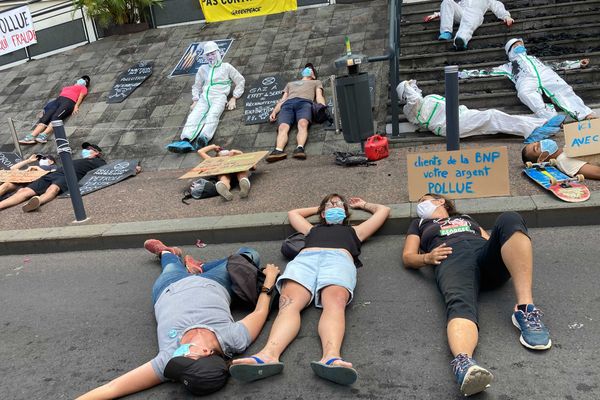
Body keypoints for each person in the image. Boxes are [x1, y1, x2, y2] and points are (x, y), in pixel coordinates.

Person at [76, 240, 280, 399]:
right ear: (207, 352)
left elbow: (111, 388)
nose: (177, 356)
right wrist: (270, 278)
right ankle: (200, 268)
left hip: (168, 287)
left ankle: (169, 254)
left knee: (170, 264)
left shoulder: (167, 359)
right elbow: (260, 312)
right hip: (214, 283)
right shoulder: (233, 339)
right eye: (185, 358)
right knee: (249, 255)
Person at [230, 194, 390, 385]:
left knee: (335, 303)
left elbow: (384, 210)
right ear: (323, 213)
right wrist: (319, 208)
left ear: (346, 212)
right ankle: (268, 354)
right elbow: (293, 213)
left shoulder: (356, 231)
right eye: (330, 204)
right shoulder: (312, 229)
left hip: (338, 259)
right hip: (306, 260)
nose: (335, 205)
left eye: (339, 203)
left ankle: (331, 357)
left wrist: (363, 205)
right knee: (288, 304)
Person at [402, 194, 551, 396]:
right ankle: (464, 364)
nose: (420, 204)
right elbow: (408, 257)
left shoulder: (466, 217)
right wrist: (427, 257)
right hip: (452, 257)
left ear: (440, 201)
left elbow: (491, 240)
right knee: (459, 304)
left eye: (424, 199)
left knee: (510, 218)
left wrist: (501, 254)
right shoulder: (418, 224)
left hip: (483, 255)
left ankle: (525, 310)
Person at [459, 38, 595, 121]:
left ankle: (584, 113)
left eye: (521, 44)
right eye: (516, 45)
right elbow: (487, 72)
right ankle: (550, 117)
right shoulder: (508, 66)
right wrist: (463, 74)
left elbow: (556, 64)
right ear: (510, 50)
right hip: (525, 78)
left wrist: (577, 63)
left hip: (546, 74)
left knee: (563, 90)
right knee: (524, 93)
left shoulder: (534, 59)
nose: (520, 46)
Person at [396, 80, 565, 143]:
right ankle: (535, 128)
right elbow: (413, 99)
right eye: (412, 87)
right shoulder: (410, 109)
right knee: (492, 116)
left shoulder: (428, 98)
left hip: (462, 116)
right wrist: (407, 87)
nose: (416, 88)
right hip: (451, 125)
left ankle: (537, 126)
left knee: (493, 121)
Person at [167, 41, 245, 153]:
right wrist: (195, 99)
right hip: (204, 98)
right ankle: (185, 140)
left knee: (213, 115)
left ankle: (203, 138)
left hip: (219, 97)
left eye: (213, 54)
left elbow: (240, 80)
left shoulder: (226, 67)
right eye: (208, 55)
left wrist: (234, 97)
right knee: (193, 116)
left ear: (218, 53)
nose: (210, 57)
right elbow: (197, 86)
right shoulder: (203, 69)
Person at [0, 142, 105, 212]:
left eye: (89, 149)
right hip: (54, 173)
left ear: (97, 152)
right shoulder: (79, 160)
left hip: (69, 176)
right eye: (85, 149)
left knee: (53, 189)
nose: (85, 150)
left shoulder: (99, 161)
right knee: (24, 191)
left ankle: (38, 202)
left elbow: (106, 170)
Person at [265, 63, 326, 162]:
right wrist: (274, 111)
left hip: (304, 103)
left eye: (310, 69)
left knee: (303, 123)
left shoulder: (316, 82)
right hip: (287, 104)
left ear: (313, 75)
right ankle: (278, 150)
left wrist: (322, 106)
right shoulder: (290, 84)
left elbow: (319, 96)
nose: (307, 69)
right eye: (306, 68)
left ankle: (300, 148)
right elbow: (283, 99)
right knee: (282, 127)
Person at [19, 76, 90, 145]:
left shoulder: (83, 88)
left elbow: (80, 97)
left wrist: (76, 106)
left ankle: (43, 135)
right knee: (45, 118)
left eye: (85, 80)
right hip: (58, 100)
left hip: (69, 102)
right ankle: (30, 137)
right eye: (82, 79)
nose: (82, 80)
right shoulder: (67, 87)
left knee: (55, 118)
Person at [437, 0, 513, 50]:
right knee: (447, 1)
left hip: (475, 13)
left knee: (471, 16)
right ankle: (446, 31)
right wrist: (438, 14)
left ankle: (461, 39)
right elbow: (454, 7)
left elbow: (497, 6)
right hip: (462, 12)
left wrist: (506, 16)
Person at [522, 138, 600, 179]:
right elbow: (597, 172)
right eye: (537, 147)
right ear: (541, 159)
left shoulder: (567, 148)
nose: (541, 142)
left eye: (538, 141)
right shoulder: (565, 162)